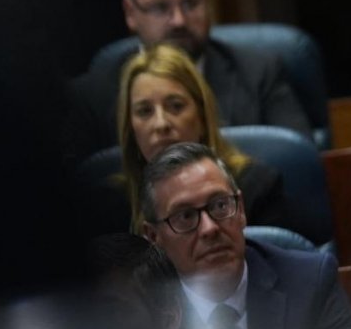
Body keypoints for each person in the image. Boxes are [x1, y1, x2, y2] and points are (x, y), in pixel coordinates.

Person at [141, 141, 351, 329]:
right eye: (185, 216)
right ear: (153, 237)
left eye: (220, 205)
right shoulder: (141, 313)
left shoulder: (311, 282)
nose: (209, 228)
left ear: (241, 209)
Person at [66, 0, 310, 161]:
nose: (178, 20)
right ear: (131, 13)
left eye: (191, 3)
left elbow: (297, 164)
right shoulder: (93, 95)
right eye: (160, 7)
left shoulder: (260, 73)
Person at [117, 43, 287, 232]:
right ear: (130, 127)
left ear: (202, 117)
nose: (161, 123)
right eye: (145, 111)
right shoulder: (111, 202)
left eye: (176, 106)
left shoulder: (257, 188)